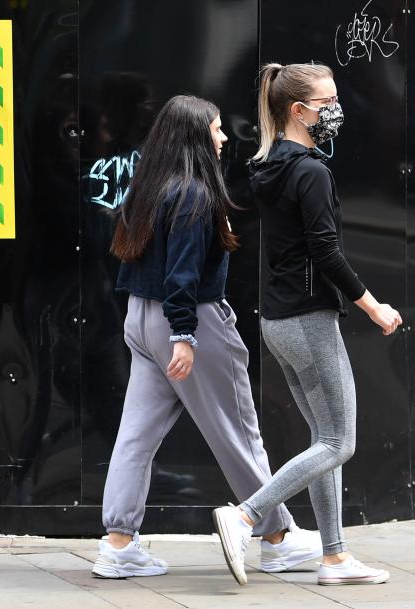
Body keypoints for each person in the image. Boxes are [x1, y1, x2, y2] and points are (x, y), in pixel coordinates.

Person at [92, 95, 322, 579]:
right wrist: (184, 336)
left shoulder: (147, 187)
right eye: (215, 130)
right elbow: (183, 275)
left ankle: (118, 545)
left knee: (135, 437)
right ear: (194, 137)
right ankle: (278, 537)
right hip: (189, 323)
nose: (222, 139)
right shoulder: (195, 193)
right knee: (239, 432)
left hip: (140, 318)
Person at [212, 62, 400, 586]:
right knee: (340, 442)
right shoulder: (311, 171)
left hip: (279, 320)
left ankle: (335, 557)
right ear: (298, 110)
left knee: (323, 439)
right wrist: (374, 306)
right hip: (309, 320)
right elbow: (326, 251)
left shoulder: (268, 164)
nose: (336, 111)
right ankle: (246, 514)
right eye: (327, 103)